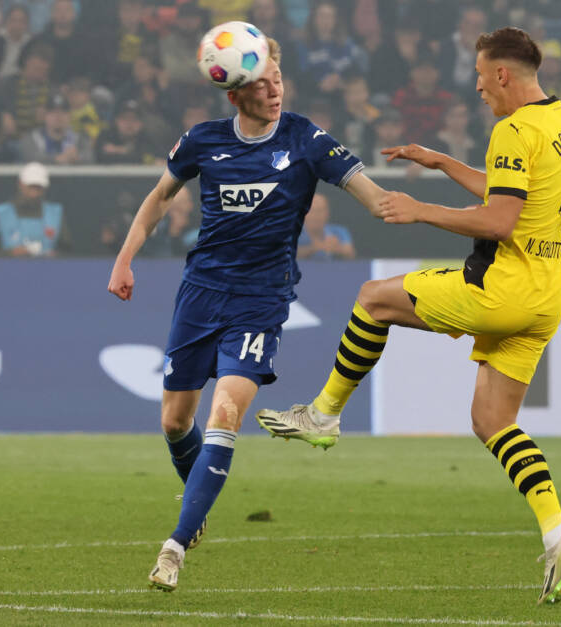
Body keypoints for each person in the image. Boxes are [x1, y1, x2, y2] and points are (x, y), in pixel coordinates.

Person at [255, 27, 561, 605]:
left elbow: (499, 220)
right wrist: (441, 162)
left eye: (481, 77)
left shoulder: (513, 129)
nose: (478, 87)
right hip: (546, 291)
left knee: (372, 298)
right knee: (493, 421)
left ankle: (324, 415)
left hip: (501, 286)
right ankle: (558, 533)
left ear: (502, 74)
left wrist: (420, 210)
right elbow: (515, 192)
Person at [107, 36, 388, 592]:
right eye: (263, 84)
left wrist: (450, 205)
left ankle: (174, 547)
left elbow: (376, 198)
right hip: (201, 292)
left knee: (226, 412)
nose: (275, 90)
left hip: (261, 300)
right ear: (235, 93)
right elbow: (161, 197)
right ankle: (197, 508)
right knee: (174, 422)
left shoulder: (306, 139)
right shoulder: (203, 140)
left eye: (278, 79)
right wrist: (125, 257)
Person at [0, 161, 67, 256]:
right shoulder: (0, 214)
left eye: (38, 188)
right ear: (21, 184)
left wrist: (56, 256)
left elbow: (68, 251)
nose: (34, 193)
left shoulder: (55, 214)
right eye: (30, 187)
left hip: (47, 265)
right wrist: (9, 254)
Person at [297, 193, 355, 260]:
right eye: (312, 211)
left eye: (320, 211)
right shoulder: (294, 233)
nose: (316, 215)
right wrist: (315, 248)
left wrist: (338, 248)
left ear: (327, 213)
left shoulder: (340, 231)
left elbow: (351, 253)